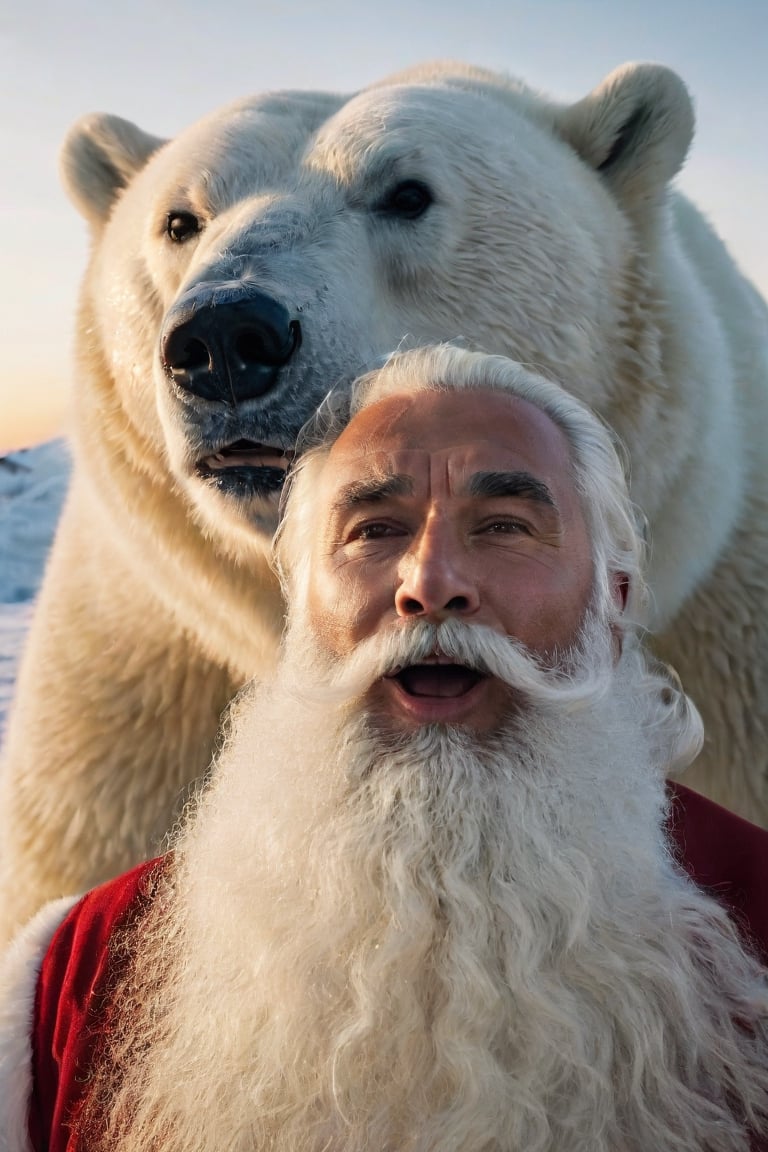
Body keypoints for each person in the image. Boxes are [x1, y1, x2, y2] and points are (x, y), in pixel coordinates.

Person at [2, 345, 768, 1152]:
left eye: (504, 526)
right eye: (374, 529)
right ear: (302, 612)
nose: (430, 583)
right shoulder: (83, 976)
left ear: (608, 612)